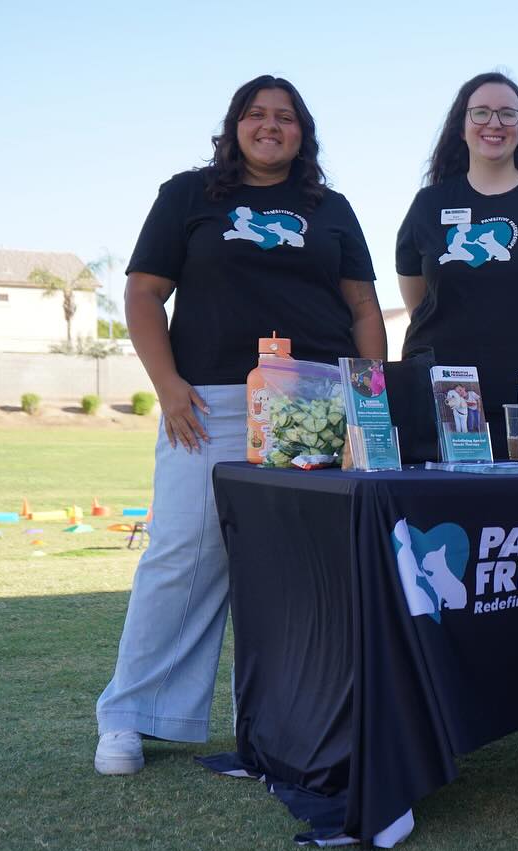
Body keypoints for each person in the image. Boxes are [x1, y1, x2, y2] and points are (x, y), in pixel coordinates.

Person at [95, 76, 387, 776]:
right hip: (211, 401)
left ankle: (286, 721)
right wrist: (167, 386)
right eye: (256, 114)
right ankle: (130, 717)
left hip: (315, 402)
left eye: (285, 117)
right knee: (181, 556)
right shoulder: (189, 196)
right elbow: (142, 293)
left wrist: (367, 401)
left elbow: (365, 311)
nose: (270, 126)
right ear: (234, 126)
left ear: (302, 133)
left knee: (298, 570)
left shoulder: (331, 209)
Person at [396, 71, 518, 457]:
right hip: (441, 398)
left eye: (508, 114)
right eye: (482, 112)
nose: (494, 124)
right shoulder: (429, 205)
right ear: (462, 125)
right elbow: (419, 301)